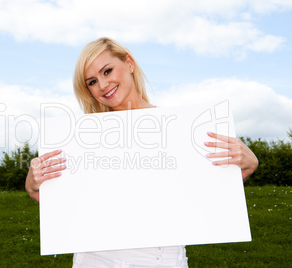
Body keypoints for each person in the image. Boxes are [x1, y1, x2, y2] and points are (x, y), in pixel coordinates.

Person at [25, 37, 259, 268]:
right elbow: (66, 207)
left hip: (163, 260)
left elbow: (201, 196)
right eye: (92, 81)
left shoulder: (181, 128)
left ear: (129, 63)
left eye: (107, 71)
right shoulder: (81, 140)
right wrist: (34, 186)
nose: (103, 85)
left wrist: (245, 168)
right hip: (95, 259)